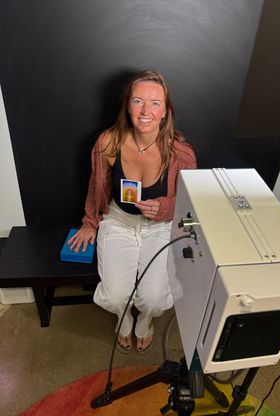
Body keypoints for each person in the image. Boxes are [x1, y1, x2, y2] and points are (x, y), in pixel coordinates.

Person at [68, 70, 196, 353]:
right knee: (115, 296)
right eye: (138, 101)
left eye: (155, 103)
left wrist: (165, 207)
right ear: (128, 106)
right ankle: (123, 320)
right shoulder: (108, 142)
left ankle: (145, 321)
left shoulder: (181, 153)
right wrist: (90, 222)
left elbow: (190, 200)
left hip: (161, 227)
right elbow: (96, 186)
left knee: (151, 298)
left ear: (165, 111)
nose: (146, 110)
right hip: (119, 221)